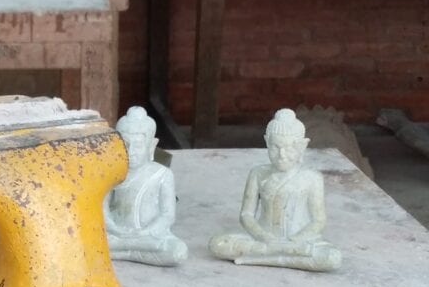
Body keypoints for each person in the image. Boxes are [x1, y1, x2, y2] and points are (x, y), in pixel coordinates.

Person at [209, 109, 342, 272]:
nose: (281, 155)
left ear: (302, 146)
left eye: (289, 149)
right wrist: (264, 237)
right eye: (275, 148)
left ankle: (265, 258)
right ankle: (285, 258)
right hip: (264, 240)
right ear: (267, 142)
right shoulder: (258, 173)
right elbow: (246, 215)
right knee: (217, 244)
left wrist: (296, 240)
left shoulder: (312, 178)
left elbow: (318, 220)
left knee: (332, 258)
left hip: (298, 242)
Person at [104, 107, 188, 267]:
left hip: (148, 237)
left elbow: (167, 215)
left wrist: (145, 233)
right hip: (117, 235)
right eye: (126, 145)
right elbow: (103, 208)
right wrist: (115, 229)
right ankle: (131, 252)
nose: (131, 152)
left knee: (178, 251)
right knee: (89, 241)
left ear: (152, 145)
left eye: (138, 146)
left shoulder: (162, 174)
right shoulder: (111, 173)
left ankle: (122, 252)